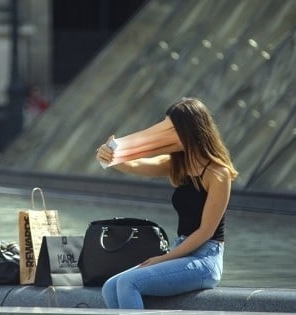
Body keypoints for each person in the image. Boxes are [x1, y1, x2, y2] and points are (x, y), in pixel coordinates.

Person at [96, 98, 238, 309]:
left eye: (171, 129)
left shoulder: (218, 173)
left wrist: (163, 258)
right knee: (109, 286)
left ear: (191, 130)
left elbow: (206, 232)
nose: (165, 134)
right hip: (180, 251)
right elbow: (134, 165)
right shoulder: (177, 165)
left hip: (206, 259)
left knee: (128, 283)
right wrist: (109, 155)